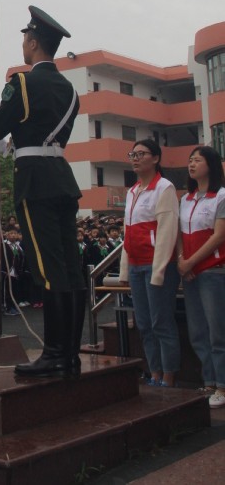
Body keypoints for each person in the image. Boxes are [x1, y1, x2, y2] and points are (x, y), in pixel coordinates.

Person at [0, 5, 86, 378]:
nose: (24, 44)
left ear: (33, 42)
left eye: (26, 39)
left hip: (36, 181)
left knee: (48, 268)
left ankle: (55, 352)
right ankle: (70, 353)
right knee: (70, 269)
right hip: (61, 175)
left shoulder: (23, 83)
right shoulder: (71, 92)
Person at [119, 139, 180, 387]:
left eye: (141, 154)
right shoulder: (132, 191)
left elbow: (167, 232)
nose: (135, 158)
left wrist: (159, 270)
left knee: (161, 323)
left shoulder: (164, 188)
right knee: (143, 324)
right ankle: (154, 373)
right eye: (133, 154)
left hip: (156, 266)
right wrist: (124, 270)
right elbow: (128, 232)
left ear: (155, 158)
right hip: (135, 266)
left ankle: (169, 376)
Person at [177, 146, 225, 408]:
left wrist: (193, 261)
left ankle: (222, 385)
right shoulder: (186, 199)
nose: (192, 164)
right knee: (198, 331)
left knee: (218, 331)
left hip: (214, 271)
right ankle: (209, 381)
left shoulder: (221, 196)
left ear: (212, 164)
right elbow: (181, 236)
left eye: (198, 160)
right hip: (191, 272)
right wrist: (182, 261)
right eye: (190, 160)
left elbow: (219, 235)